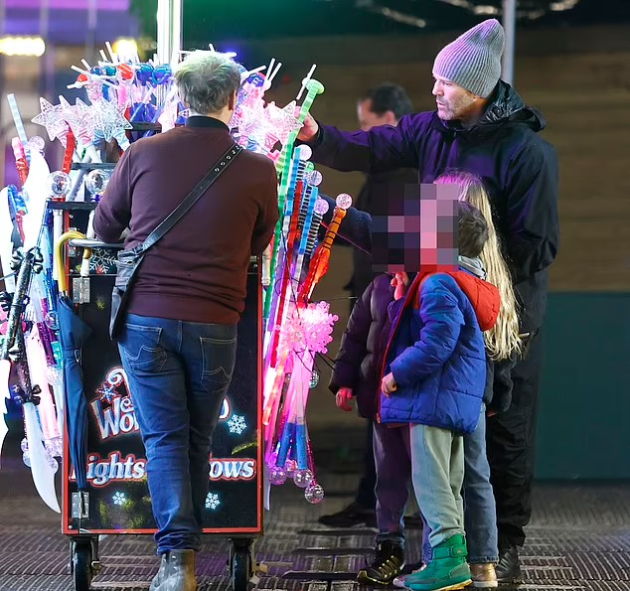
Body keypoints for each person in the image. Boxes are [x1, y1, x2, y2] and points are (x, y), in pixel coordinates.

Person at [298, 19, 559, 582]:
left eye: (446, 82)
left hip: (500, 317)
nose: (435, 89)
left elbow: (537, 248)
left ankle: (501, 547)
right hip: (444, 299)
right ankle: (453, 551)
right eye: (436, 79)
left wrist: (461, 264)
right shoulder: (433, 130)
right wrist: (318, 139)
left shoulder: (525, 154)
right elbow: (372, 146)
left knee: (500, 437)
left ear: (480, 86)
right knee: (440, 438)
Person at [93, 51, 279, 591]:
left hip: (145, 320)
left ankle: (178, 565)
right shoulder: (257, 169)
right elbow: (259, 239)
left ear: (181, 97)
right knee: (198, 437)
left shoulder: (142, 153)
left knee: (165, 438)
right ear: (234, 99)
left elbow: (106, 229)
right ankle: (184, 555)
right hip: (215, 322)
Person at [380, 202, 500, 591]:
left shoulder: (439, 282)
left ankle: (447, 562)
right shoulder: (465, 280)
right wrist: (402, 297)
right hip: (457, 400)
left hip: (433, 399)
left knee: (431, 482)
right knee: (449, 482)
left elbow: (436, 342)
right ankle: (456, 561)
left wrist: (398, 373)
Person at [319, 82, 417, 531]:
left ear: (390, 121)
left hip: (388, 302)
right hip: (380, 299)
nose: (362, 135)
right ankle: (375, 502)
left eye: (366, 125)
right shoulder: (395, 177)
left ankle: (382, 508)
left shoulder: (400, 178)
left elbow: (384, 240)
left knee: (383, 406)